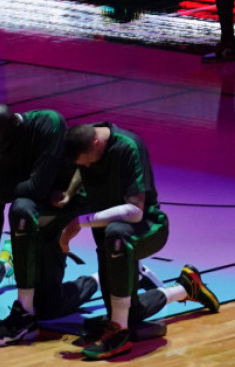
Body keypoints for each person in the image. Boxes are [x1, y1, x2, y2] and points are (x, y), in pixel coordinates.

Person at [61, 123, 220, 360]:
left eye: (87, 162)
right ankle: (186, 287)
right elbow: (80, 168)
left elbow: (135, 212)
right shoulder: (87, 143)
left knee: (115, 233)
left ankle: (119, 335)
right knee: (127, 311)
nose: (86, 168)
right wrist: (69, 194)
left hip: (146, 228)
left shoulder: (129, 147)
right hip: (111, 234)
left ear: (96, 143)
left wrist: (80, 221)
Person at [0, 106, 98, 345]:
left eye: (1, 146)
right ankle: (11, 263)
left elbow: (37, 188)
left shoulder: (48, 123)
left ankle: (27, 312)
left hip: (67, 204)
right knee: (47, 305)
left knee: (21, 209)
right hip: (36, 210)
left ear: (16, 128)